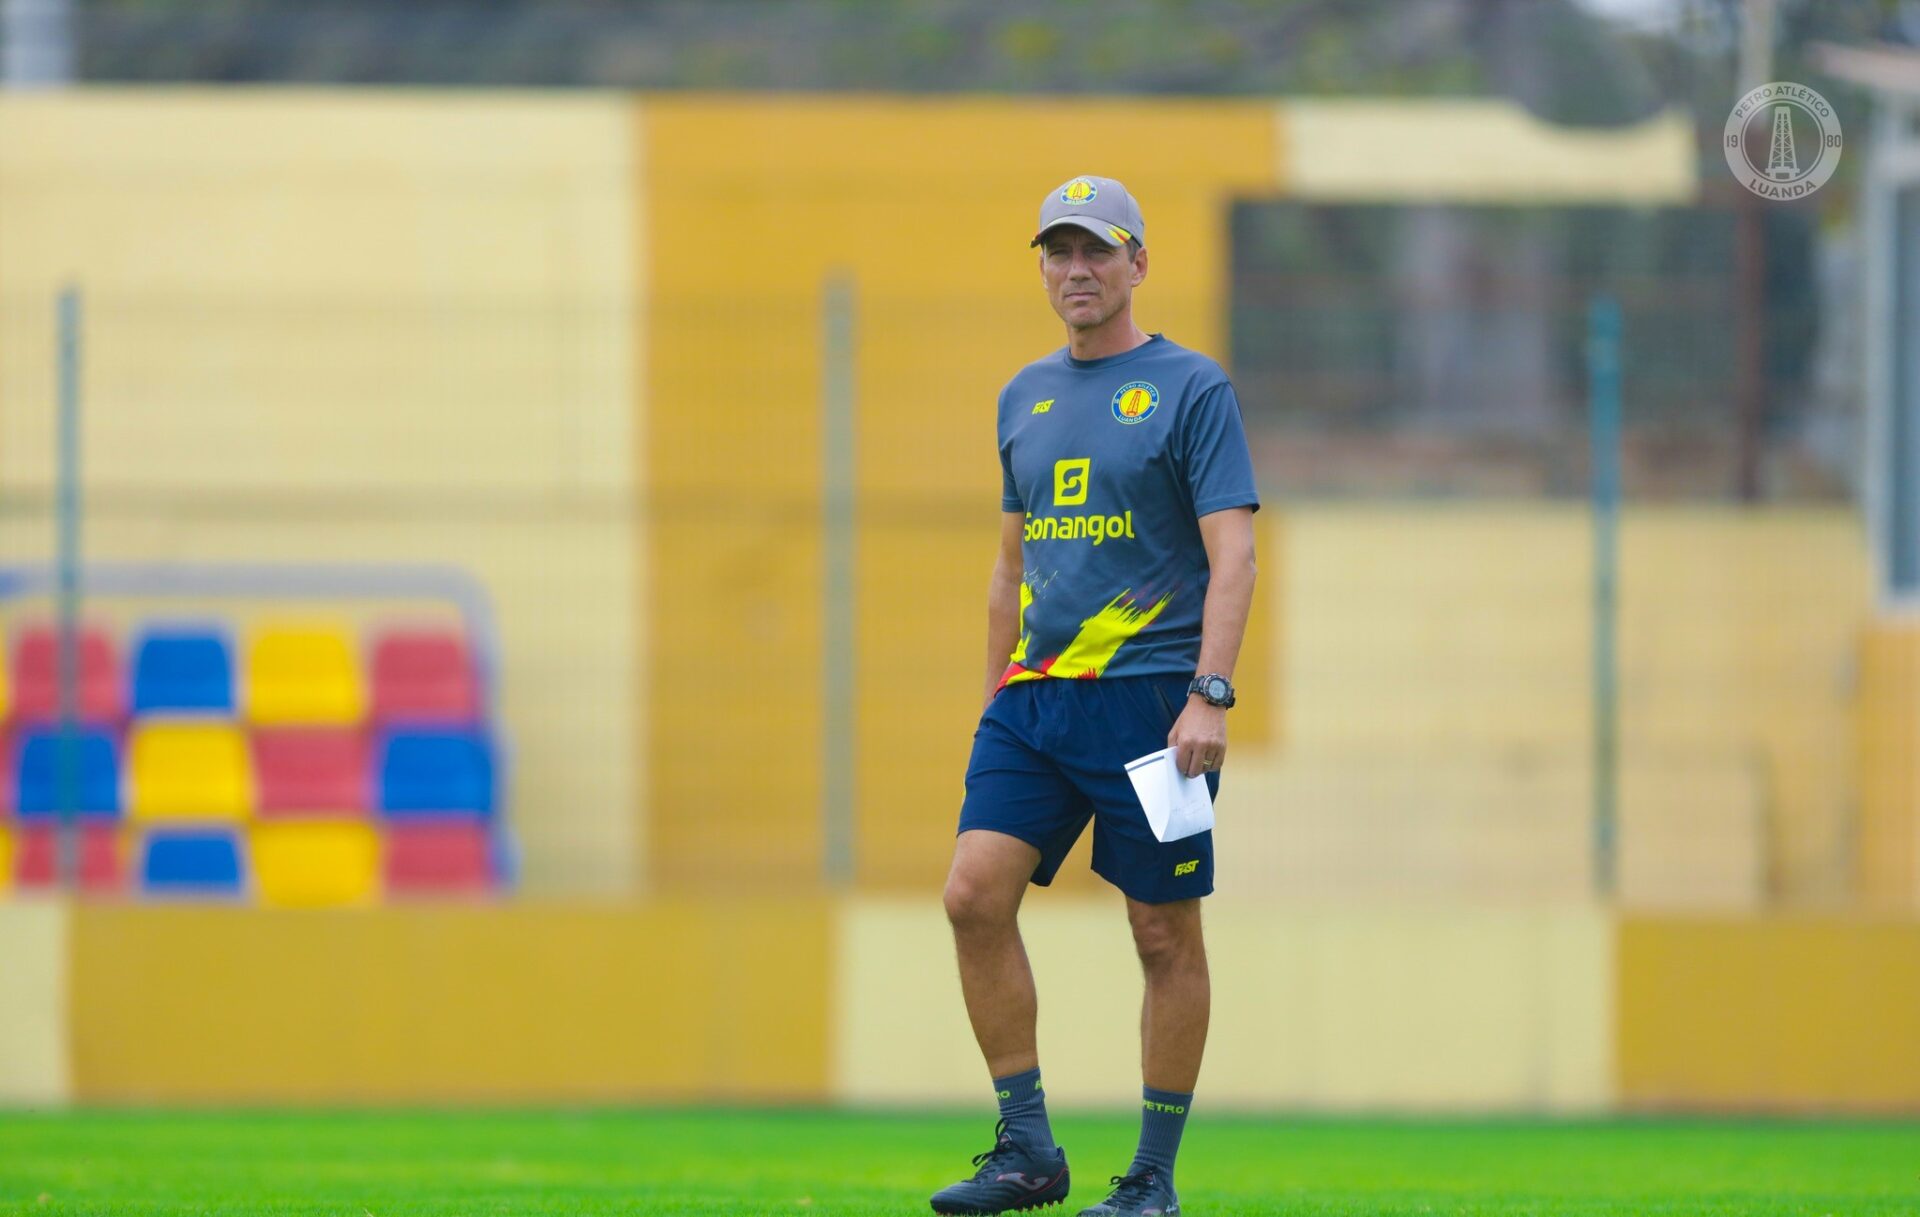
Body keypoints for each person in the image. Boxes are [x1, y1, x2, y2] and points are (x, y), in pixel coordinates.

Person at [929, 175, 1259, 1217]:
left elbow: (1234, 550)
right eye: (1058, 252)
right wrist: (995, 697)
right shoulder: (1020, 394)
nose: (1077, 270)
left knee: (1164, 935)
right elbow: (1008, 564)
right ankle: (1027, 1149)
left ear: (1137, 265)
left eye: (1097, 252)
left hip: (1156, 703)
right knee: (971, 893)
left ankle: (1152, 1176)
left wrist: (1210, 692)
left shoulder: (1190, 387)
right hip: (1036, 700)